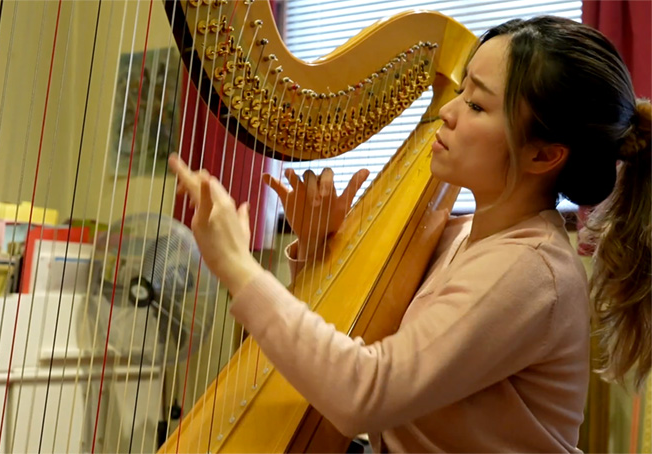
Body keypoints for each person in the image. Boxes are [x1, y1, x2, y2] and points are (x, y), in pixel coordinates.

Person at [168, 15, 651, 452]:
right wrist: (317, 247)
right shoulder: (460, 236)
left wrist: (236, 266)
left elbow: (365, 391)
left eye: (478, 106)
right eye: (461, 91)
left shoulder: (530, 272)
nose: (448, 111)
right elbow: (350, 340)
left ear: (544, 156)